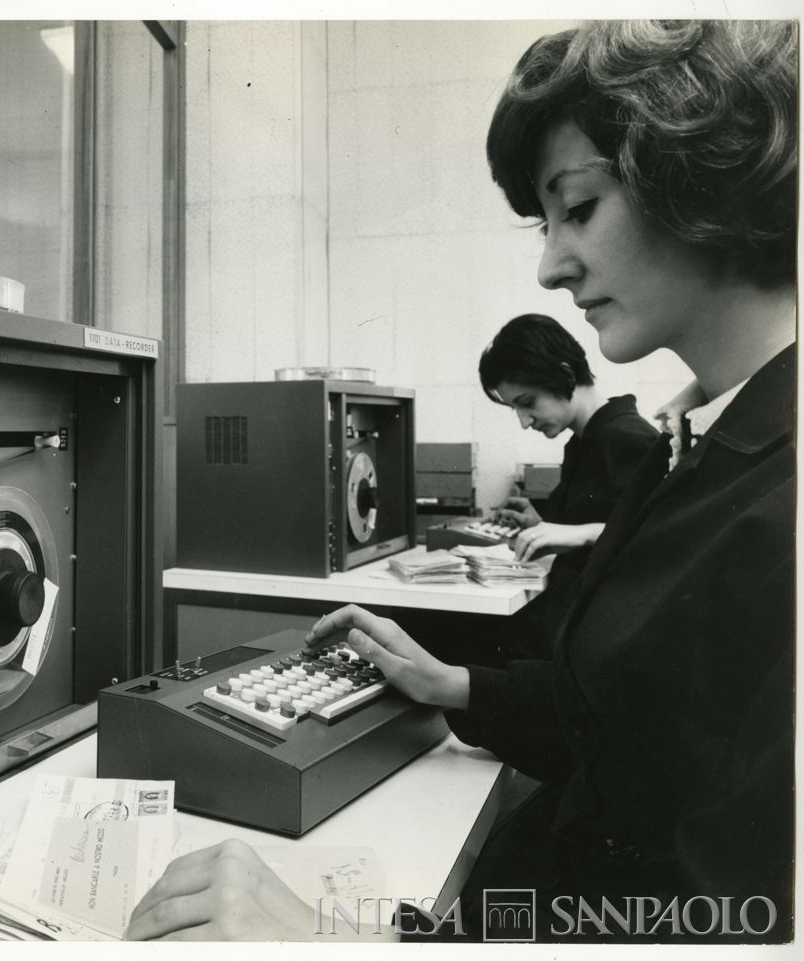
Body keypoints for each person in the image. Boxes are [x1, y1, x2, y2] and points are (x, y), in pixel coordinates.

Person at [125, 20, 795, 942]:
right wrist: (451, 685)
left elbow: (727, 921)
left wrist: (348, 942)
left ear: (701, 181)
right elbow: (615, 722)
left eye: (580, 207)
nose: (552, 263)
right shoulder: (697, 440)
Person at [479, 313, 660, 651]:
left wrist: (582, 533)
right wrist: (541, 525)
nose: (523, 421)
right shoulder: (585, 441)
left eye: (526, 403)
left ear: (564, 374)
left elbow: (658, 545)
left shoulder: (628, 440)